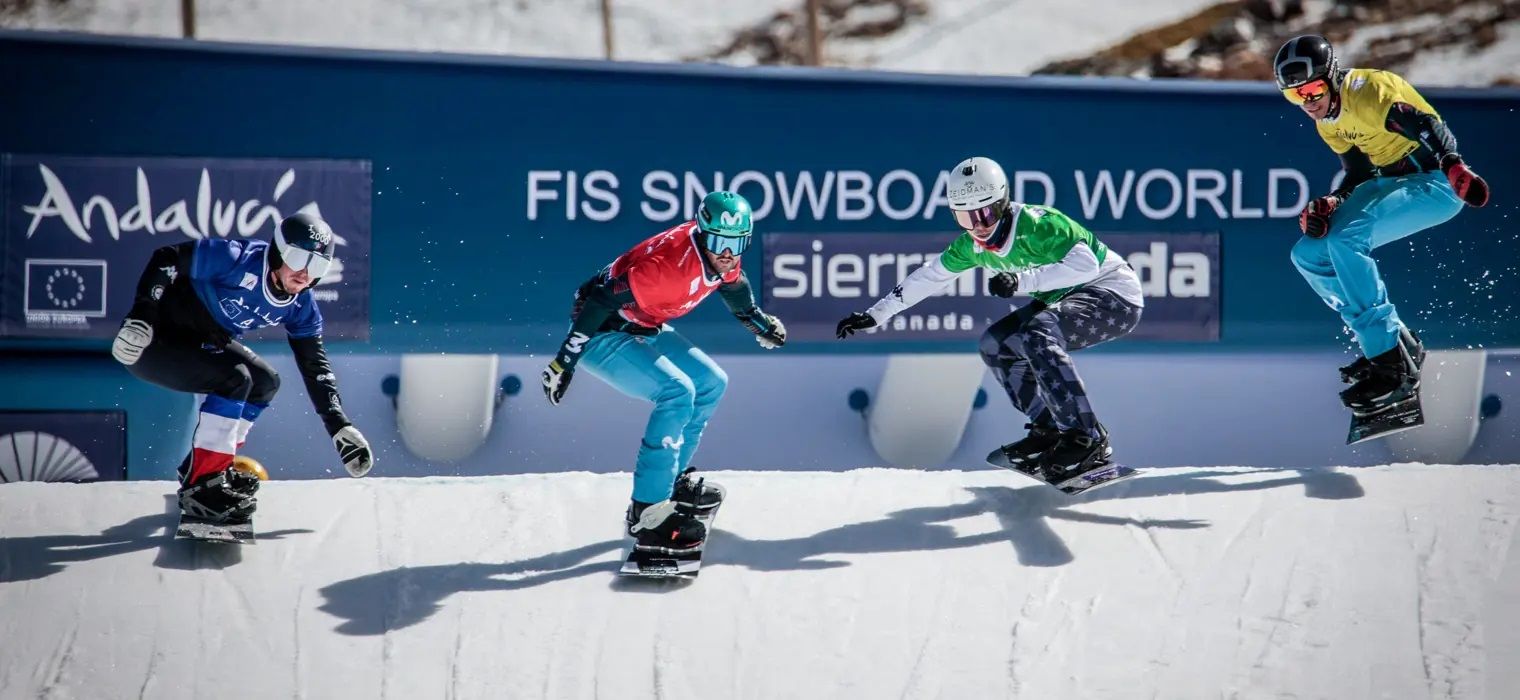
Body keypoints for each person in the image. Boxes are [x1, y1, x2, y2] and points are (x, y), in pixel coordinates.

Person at [835, 157, 1143, 483]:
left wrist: (1021, 281)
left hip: (1114, 297)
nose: (979, 226)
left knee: (1037, 334)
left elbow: (1087, 267)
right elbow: (929, 277)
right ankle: (1050, 428)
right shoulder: (972, 246)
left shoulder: (1040, 225)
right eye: (967, 218)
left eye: (986, 213)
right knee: (996, 344)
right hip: (1065, 298)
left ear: (1004, 202)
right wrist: (875, 315)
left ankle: (1087, 438)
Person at [541, 191, 786, 553]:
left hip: (643, 325)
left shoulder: (719, 251)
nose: (727, 253)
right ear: (703, 235)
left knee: (710, 383)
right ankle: (647, 513)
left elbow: (733, 285)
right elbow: (600, 300)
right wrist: (565, 360)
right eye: (719, 242)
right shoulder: (668, 269)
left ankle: (669, 484)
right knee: (676, 393)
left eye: (737, 244)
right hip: (600, 332)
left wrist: (757, 322)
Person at [110, 212, 375, 523]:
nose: (305, 273)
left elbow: (314, 364)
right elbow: (166, 257)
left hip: (202, 342)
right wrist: (141, 316)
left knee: (265, 383)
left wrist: (339, 425)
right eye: (299, 258)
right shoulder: (237, 258)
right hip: (151, 343)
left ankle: (206, 468)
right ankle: (203, 487)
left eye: (317, 265)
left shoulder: (301, 305)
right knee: (236, 379)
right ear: (277, 251)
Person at [1275, 35, 1489, 418]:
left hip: (1434, 183)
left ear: (1331, 75)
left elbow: (1426, 124)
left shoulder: (1369, 90)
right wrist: (1333, 201)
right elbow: (1357, 172)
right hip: (1387, 182)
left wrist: (1453, 164)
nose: (1308, 101)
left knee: (1346, 239)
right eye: (1295, 95)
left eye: (1312, 88)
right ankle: (1391, 340)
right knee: (1307, 254)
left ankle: (1389, 361)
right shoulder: (1327, 122)